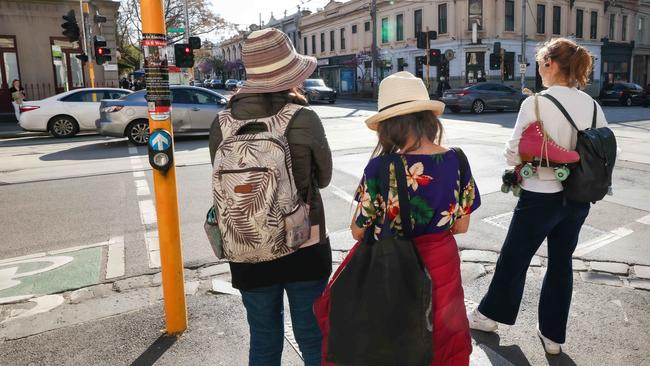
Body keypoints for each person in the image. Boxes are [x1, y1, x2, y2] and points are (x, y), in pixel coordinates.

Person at [468, 38, 607, 355]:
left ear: (551, 64)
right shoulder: (595, 106)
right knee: (561, 263)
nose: (538, 69)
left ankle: (488, 316)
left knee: (514, 259)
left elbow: (513, 152)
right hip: (579, 198)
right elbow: (604, 151)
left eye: (540, 62)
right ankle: (553, 336)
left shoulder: (537, 103)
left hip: (539, 195)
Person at [208, 28, 333, 366]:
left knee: (263, 337)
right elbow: (324, 178)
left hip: (247, 245)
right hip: (304, 240)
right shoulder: (304, 118)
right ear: (290, 73)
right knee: (312, 335)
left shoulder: (221, 123)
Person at [350, 71, 481, 366]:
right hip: (443, 263)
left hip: (393, 267)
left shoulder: (380, 168)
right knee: (443, 333)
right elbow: (461, 225)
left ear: (388, 127)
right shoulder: (457, 159)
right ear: (429, 119)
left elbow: (358, 231)